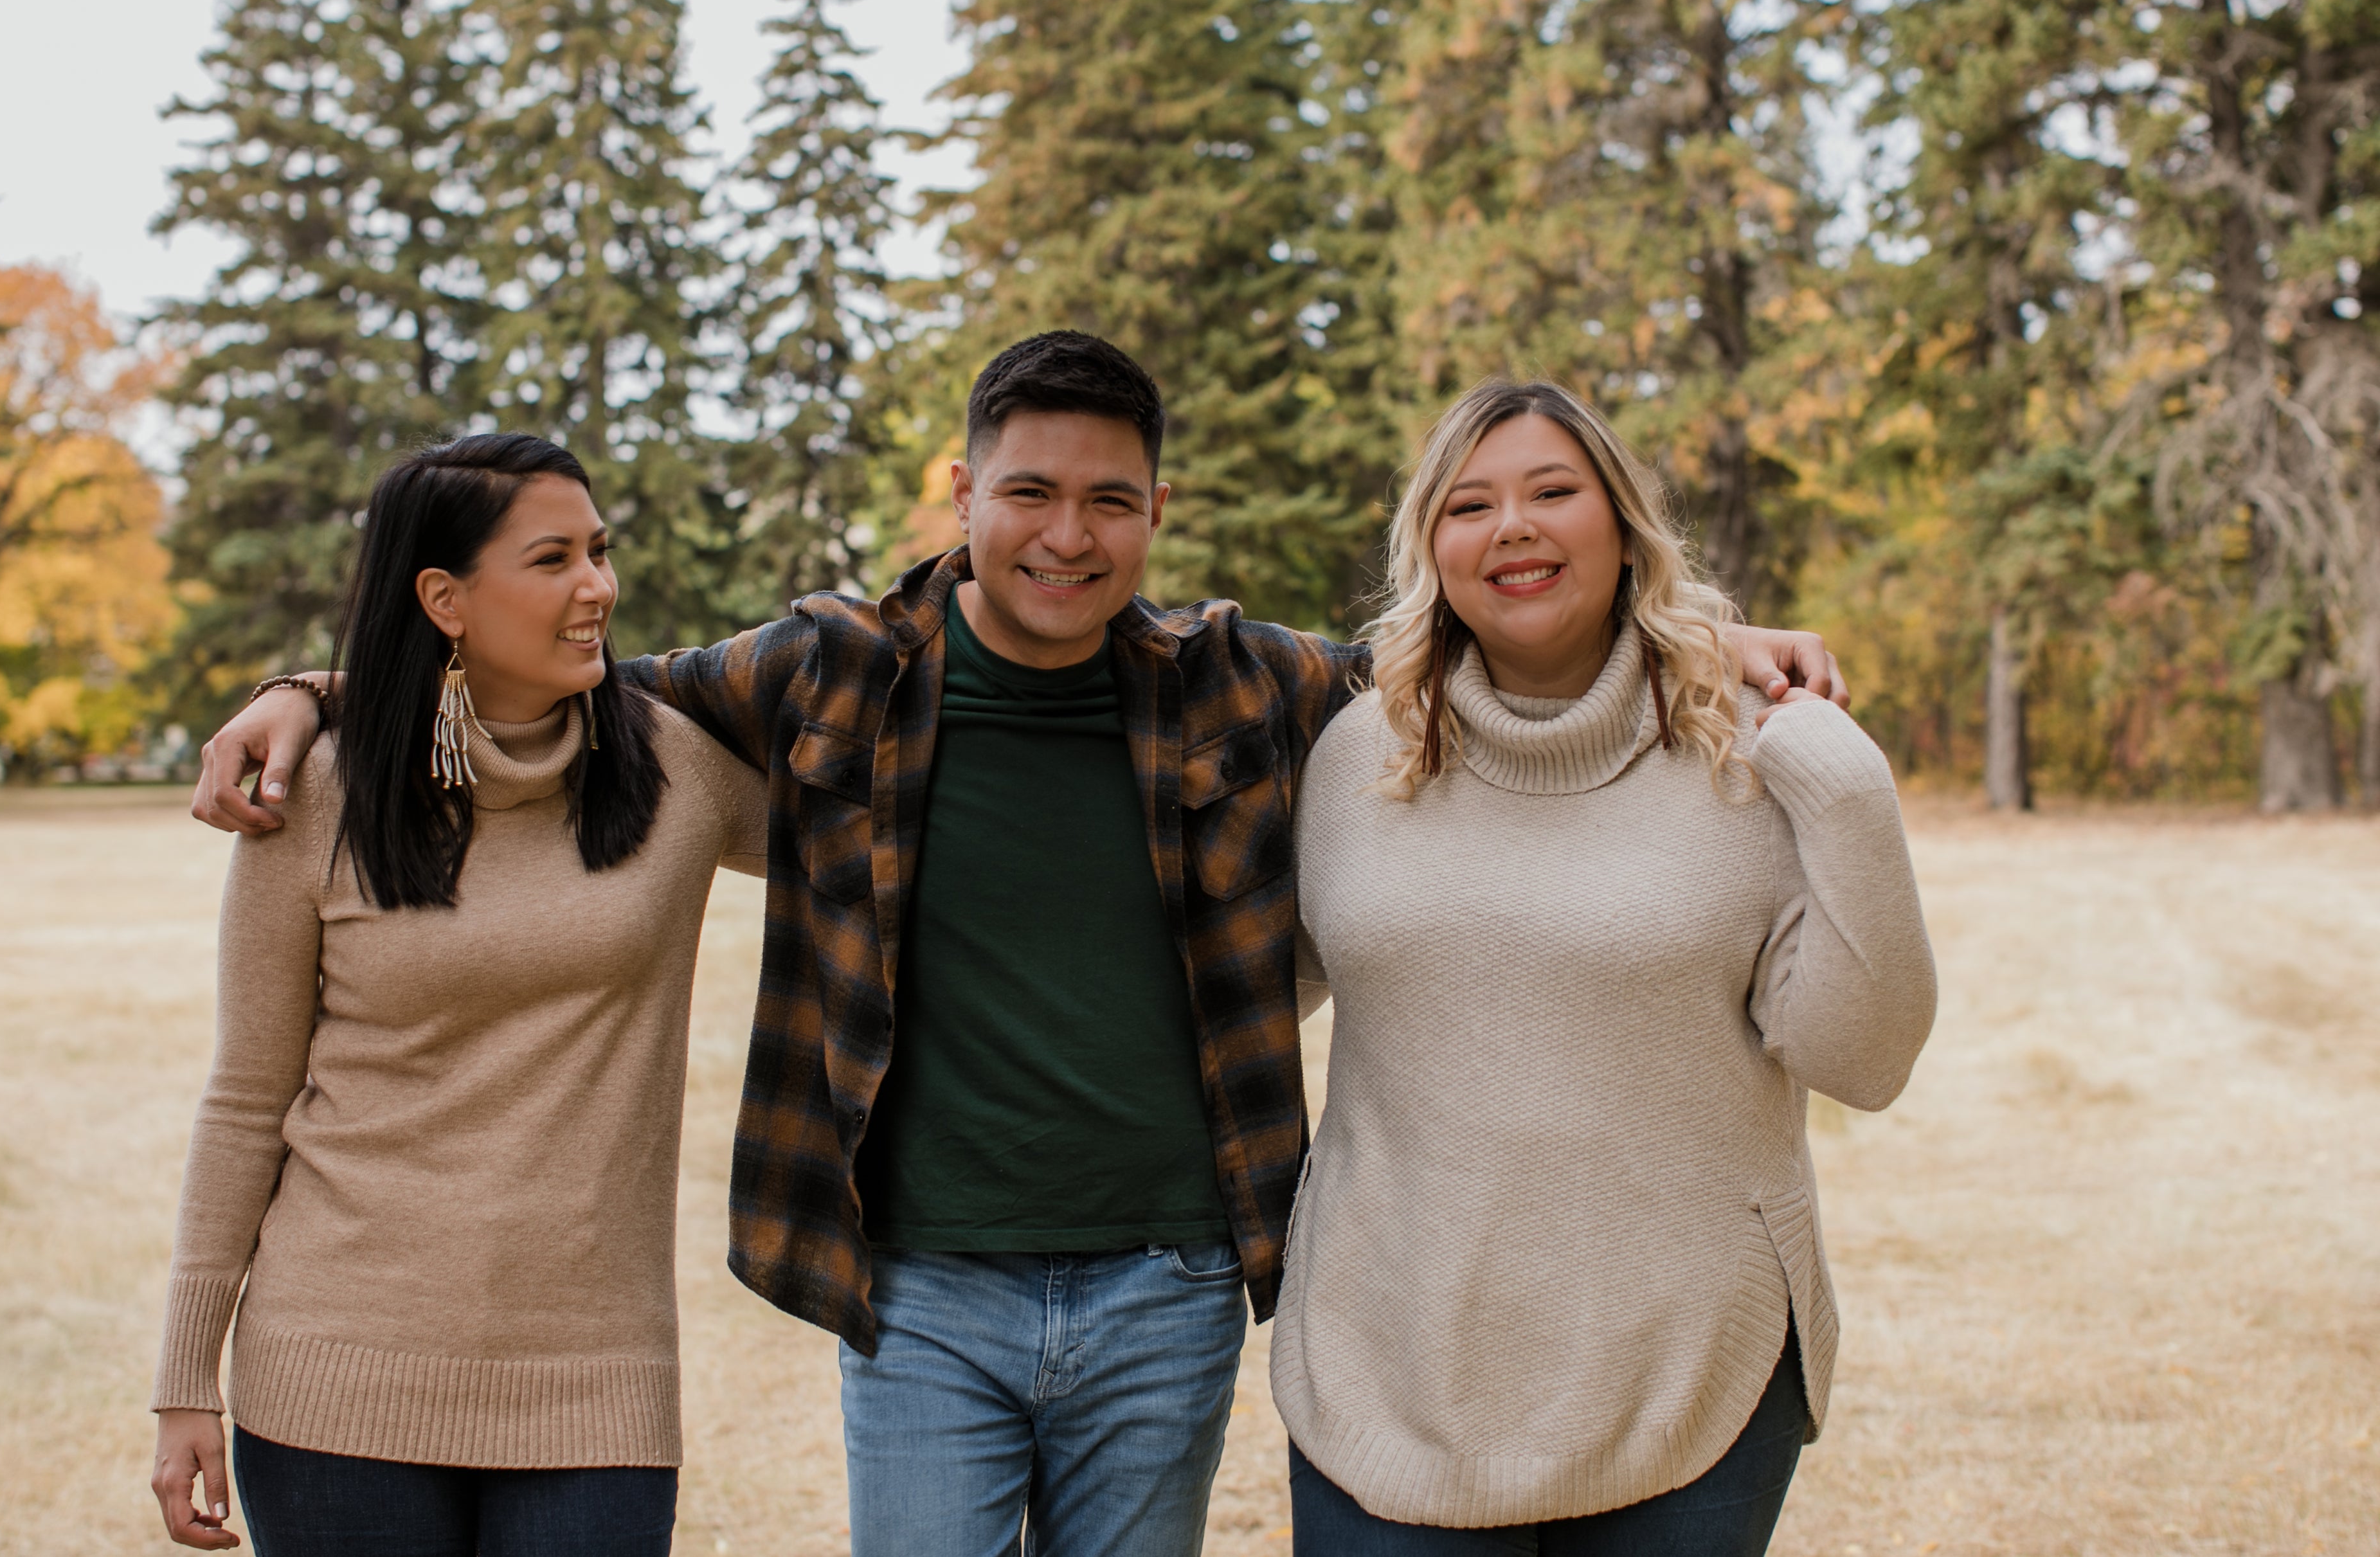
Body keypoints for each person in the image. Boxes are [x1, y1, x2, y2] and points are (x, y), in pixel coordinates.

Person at [189, 334, 1849, 1557]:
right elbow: (552, 674)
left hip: (1167, 1284)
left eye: (1109, 501)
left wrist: (1705, 639)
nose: (1068, 534)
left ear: (1154, 510)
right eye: (1031, 491)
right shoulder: (830, 671)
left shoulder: (1240, 683)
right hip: (919, 1294)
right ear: (966, 489)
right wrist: (314, 691)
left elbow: (1488, 635)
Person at [1276, 379, 1937, 1554]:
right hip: (1393, 1363)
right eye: (1470, 504)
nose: (1513, 526)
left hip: (1686, 1369)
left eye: (1553, 491)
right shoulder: (1353, 754)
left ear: (1625, 527)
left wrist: (1848, 791)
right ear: (1433, 546)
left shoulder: (1746, 747)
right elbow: (1248, 998)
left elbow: (1865, 1059)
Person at [147, 434, 766, 1556]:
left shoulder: (680, 771)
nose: (599, 588)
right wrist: (186, 1377)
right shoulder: (316, 792)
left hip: (596, 1382)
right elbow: (247, 1099)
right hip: (333, 1373)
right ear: (444, 596)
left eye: (600, 551)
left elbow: (882, 828)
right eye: (552, 560)